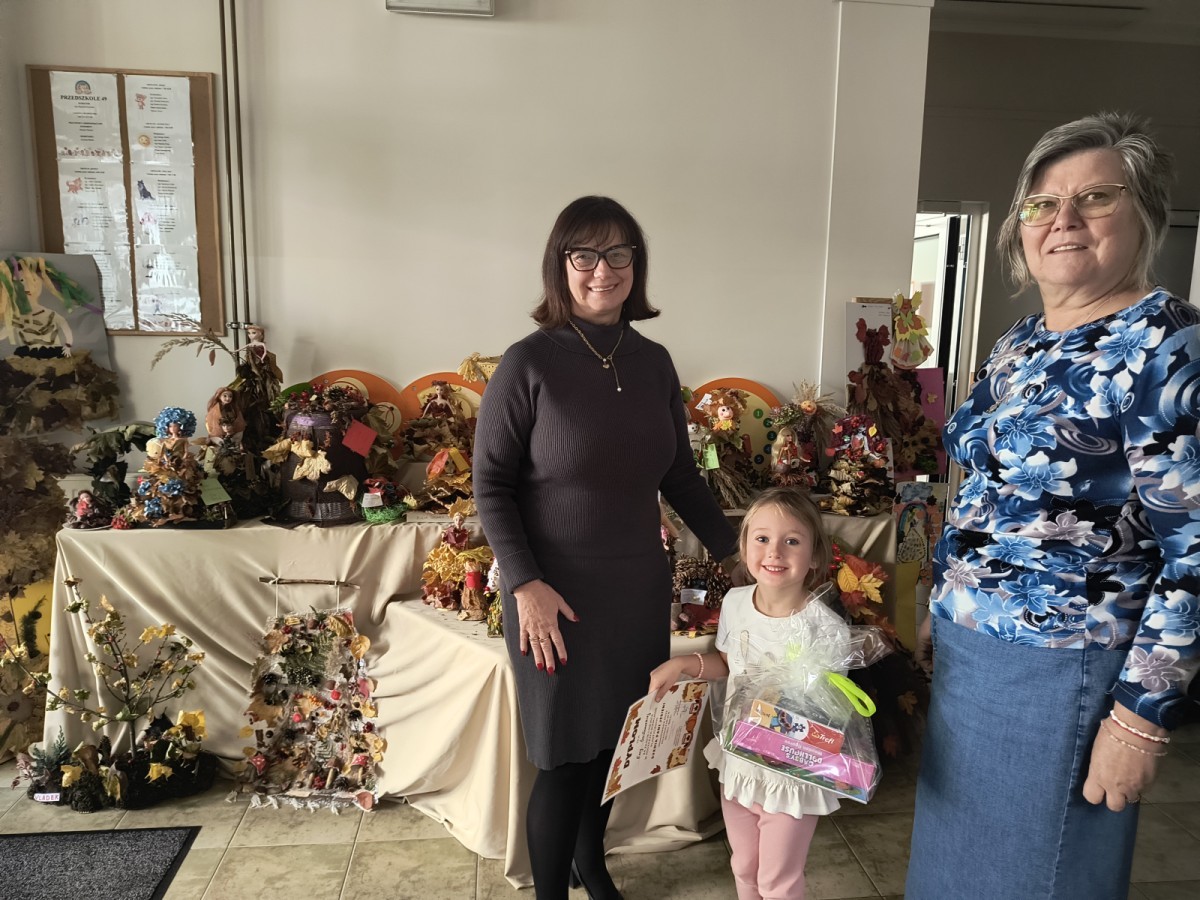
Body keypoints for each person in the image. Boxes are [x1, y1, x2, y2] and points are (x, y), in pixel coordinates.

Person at [907, 112, 1200, 900]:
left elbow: (1196, 550)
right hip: (972, 659)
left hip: (1064, 670)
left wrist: (1140, 718)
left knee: (1031, 880)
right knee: (956, 879)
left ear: (1144, 213)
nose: (1063, 219)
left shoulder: (1166, 343)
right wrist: (942, 603)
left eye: (1095, 197)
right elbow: (987, 491)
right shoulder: (1022, 339)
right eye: (1041, 203)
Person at [473, 196, 741, 900]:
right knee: (564, 758)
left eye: (618, 253)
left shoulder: (653, 363)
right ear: (559, 265)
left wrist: (733, 553)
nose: (602, 269)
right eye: (584, 254)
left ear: (636, 264)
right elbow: (490, 486)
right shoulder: (527, 363)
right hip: (551, 597)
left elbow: (679, 474)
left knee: (612, 745)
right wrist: (525, 585)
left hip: (634, 592)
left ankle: (592, 867)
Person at [649, 487, 842, 900]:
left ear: (815, 556)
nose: (774, 551)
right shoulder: (736, 603)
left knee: (778, 881)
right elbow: (727, 662)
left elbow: (830, 711)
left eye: (792, 541)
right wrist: (684, 665)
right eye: (762, 538)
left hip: (789, 774)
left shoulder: (823, 627)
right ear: (744, 547)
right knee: (744, 866)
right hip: (739, 761)